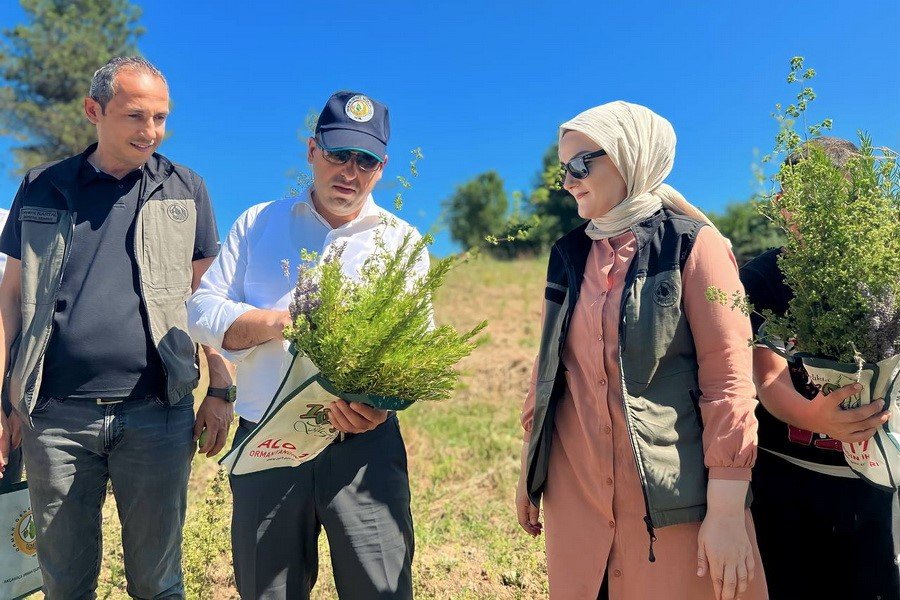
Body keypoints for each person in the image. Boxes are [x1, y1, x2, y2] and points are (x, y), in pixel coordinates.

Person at [0, 56, 233, 599]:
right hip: (55, 419)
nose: (150, 131)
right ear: (94, 111)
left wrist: (221, 386)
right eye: (135, 116)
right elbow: (9, 300)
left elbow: (209, 299)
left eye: (160, 117)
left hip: (158, 413)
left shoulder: (185, 189)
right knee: (64, 584)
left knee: (157, 583)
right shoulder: (42, 187)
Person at [515, 101, 768, 600]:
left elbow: (729, 382)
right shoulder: (567, 255)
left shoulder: (694, 245)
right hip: (578, 495)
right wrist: (530, 469)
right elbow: (547, 374)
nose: (568, 181)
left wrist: (725, 510)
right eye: (562, 169)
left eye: (580, 164)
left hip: (674, 505)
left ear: (630, 156)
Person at [188, 90, 423, 600]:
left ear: (382, 169)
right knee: (268, 591)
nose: (350, 171)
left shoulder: (403, 243)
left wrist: (379, 408)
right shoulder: (258, 224)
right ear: (313, 151)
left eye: (365, 161)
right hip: (268, 444)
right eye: (339, 154)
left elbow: (415, 348)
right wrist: (277, 322)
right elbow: (202, 311)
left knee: (380, 589)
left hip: (365, 449)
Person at [740, 136, 899, 600]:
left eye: (822, 196)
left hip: (873, 482)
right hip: (784, 476)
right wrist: (812, 416)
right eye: (792, 196)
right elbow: (767, 376)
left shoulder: (884, 269)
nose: (802, 209)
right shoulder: (766, 277)